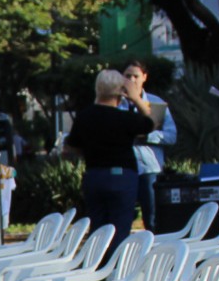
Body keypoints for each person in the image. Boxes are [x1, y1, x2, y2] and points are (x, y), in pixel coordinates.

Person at [63, 69, 157, 247]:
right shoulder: (125, 118)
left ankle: (97, 261)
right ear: (121, 92)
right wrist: (136, 98)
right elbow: (151, 123)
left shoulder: (84, 117)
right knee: (119, 229)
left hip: (95, 174)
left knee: (97, 229)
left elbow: (72, 145)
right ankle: (116, 261)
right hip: (122, 175)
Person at [120, 59, 177, 231]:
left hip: (149, 167)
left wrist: (148, 136)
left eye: (136, 76)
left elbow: (171, 136)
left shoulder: (155, 103)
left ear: (144, 77)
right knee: (123, 217)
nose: (132, 80)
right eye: (127, 76)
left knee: (152, 218)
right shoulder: (116, 104)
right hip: (124, 167)